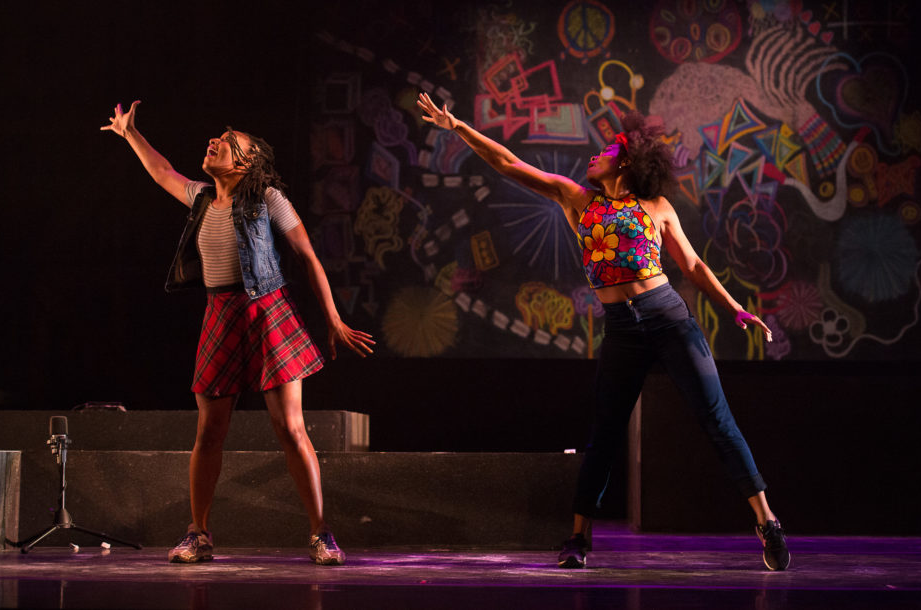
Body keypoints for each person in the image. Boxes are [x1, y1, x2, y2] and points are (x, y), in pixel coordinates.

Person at [417, 93, 790, 572]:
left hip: (669, 318)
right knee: (606, 434)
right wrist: (459, 127)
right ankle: (578, 537)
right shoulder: (578, 200)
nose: (595, 155)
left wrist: (736, 309)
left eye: (607, 150)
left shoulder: (657, 207)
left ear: (628, 162)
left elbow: (693, 265)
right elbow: (508, 162)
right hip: (622, 330)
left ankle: (767, 521)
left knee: (716, 419)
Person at [102, 100, 374, 565]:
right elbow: (162, 170)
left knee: (290, 428)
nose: (215, 143)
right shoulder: (202, 197)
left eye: (227, 144)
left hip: (270, 311)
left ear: (246, 162)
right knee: (210, 430)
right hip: (220, 314)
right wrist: (130, 134)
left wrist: (332, 318)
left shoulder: (268, 198)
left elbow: (307, 256)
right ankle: (199, 533)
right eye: (216, 139)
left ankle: (320, 533)